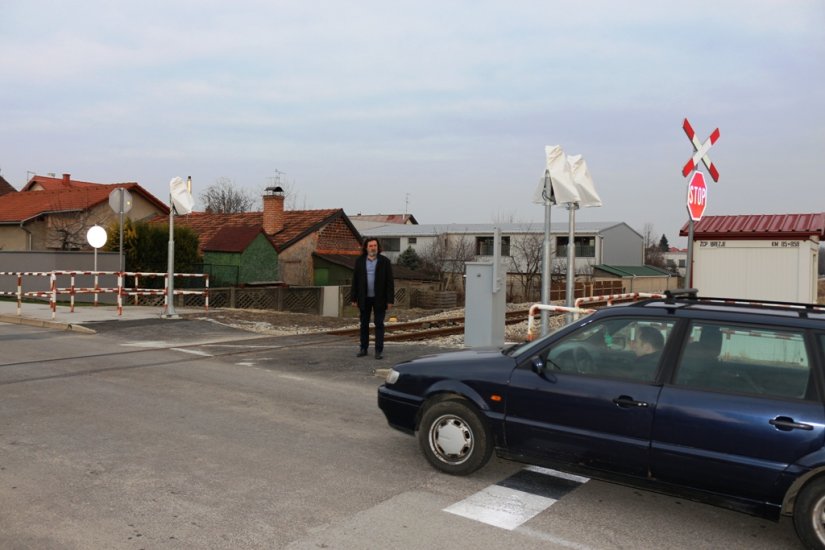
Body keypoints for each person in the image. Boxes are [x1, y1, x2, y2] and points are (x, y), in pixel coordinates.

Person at [351, 238, 394, 359]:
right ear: (366, 248)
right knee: (364, 324)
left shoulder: (385, 261)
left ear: (378, 247)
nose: (373, 248)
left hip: (380, 298)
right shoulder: (360, 261)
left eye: (375, 245)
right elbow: (355, 281)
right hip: (364, 298)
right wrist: (353, 298)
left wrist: (390, 300)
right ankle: (363, 348)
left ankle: (378, 350)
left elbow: (390, 282)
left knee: (379, 324)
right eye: (370, 246)